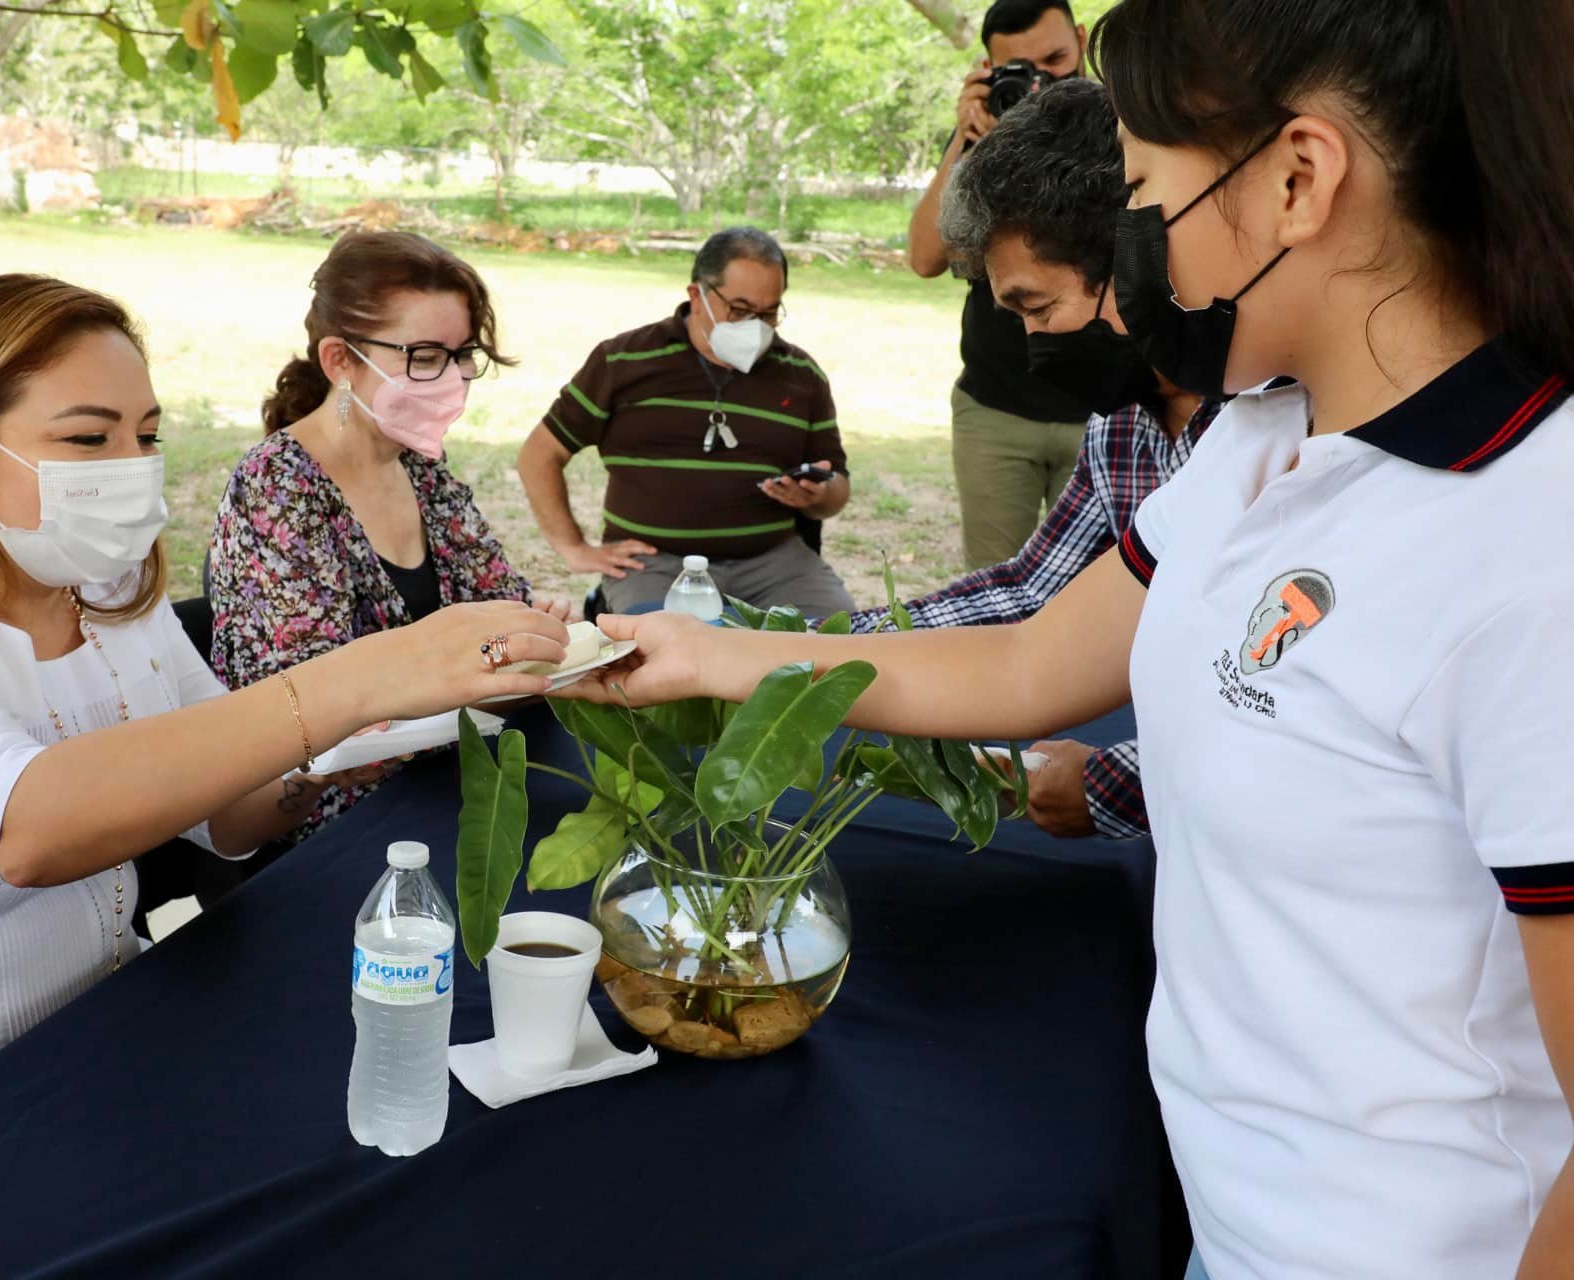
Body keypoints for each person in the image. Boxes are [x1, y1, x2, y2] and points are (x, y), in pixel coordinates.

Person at [570, 1, 1574, 1273]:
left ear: (1299, 181)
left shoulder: (1530, 542)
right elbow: (1032, 659)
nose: (1132, 245)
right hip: (1239, 1223)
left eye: (1146, 188)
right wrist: (712, 656)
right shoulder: (1262, 440)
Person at [0, 275, 567, 1227]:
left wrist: (326, 758)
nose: (129, 464)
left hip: (79, 1064)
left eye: (146, 435)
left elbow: (226, 814)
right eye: (86, 438)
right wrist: (361, 678)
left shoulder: (107, 600)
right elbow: (28, 829)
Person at [853, 78, 1218, 841]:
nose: (1034, 347)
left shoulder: (1278, 430)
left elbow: (1275, 693)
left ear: (1132, 260)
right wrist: (823, 652)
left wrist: (1116, 784)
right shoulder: (1123, 424)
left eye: (1038, 309)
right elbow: (1033, 591)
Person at [206, 233, 571, 871]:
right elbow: (332, 717)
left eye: (462, 355)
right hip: (335, 828)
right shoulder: (281, 486)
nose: (453, 379)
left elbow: (502, 613)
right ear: (341, 359)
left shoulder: (419, 465)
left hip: (444, 781)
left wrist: (533, 632)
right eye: (426, 356)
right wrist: (495, 655)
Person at [517, 227, 857, 617]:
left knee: (836, 648)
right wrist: (573, 549)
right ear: (697, 296)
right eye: (741, 310)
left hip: (774, 564)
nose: (756, 327)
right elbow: (539, 454)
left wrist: (819, 495)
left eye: (769, 313)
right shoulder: (624, 361)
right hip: (655, 565)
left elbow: (838, 483)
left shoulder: (800, 374)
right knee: (668, 664)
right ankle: (608, 603)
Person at [910, 0, 1095, 569]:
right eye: (1022, 69)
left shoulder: (1129, 122)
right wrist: (970, 143)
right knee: (994, 591)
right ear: (990, 69)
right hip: (997, 404)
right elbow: (924, 256)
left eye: (1057, 59)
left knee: (1098, 599)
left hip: (1105, 409)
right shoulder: (988, 128)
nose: (1043, 79)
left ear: (1083, 41)